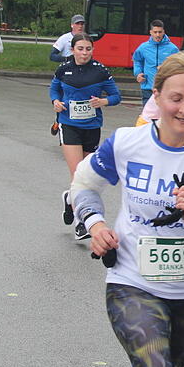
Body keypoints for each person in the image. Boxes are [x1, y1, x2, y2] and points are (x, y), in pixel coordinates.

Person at [70, 52, 184, 367]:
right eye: (176, 98)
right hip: (132, 285)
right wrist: (96, 224)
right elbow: (84, 184)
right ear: (157, 96)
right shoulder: (126, 143)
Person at [50, 34, 121, 240]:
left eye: (88, 49)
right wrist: (56, 101)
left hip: (92, 127)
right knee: (78, 174)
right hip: (69, 125)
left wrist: (103, 102)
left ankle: (69, 198)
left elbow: (116, 96)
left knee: (88, 176)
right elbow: (54, 89)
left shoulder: (100, 71)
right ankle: (81, 223)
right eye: (80, 49)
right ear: (72, 50)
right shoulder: (63, 69)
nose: (84, 53)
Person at [133, 20, 179, 105]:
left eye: (160, 32)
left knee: (164, 113)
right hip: (148, 87)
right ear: (150, 32)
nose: (157, 35)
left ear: (163, 32)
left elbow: (179, 67)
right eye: (155, 32)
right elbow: (137, 61)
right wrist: (138, 73)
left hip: (166, 88)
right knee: (148, 113)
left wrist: (166, 67)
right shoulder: (143, 47)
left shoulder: (173, 49)